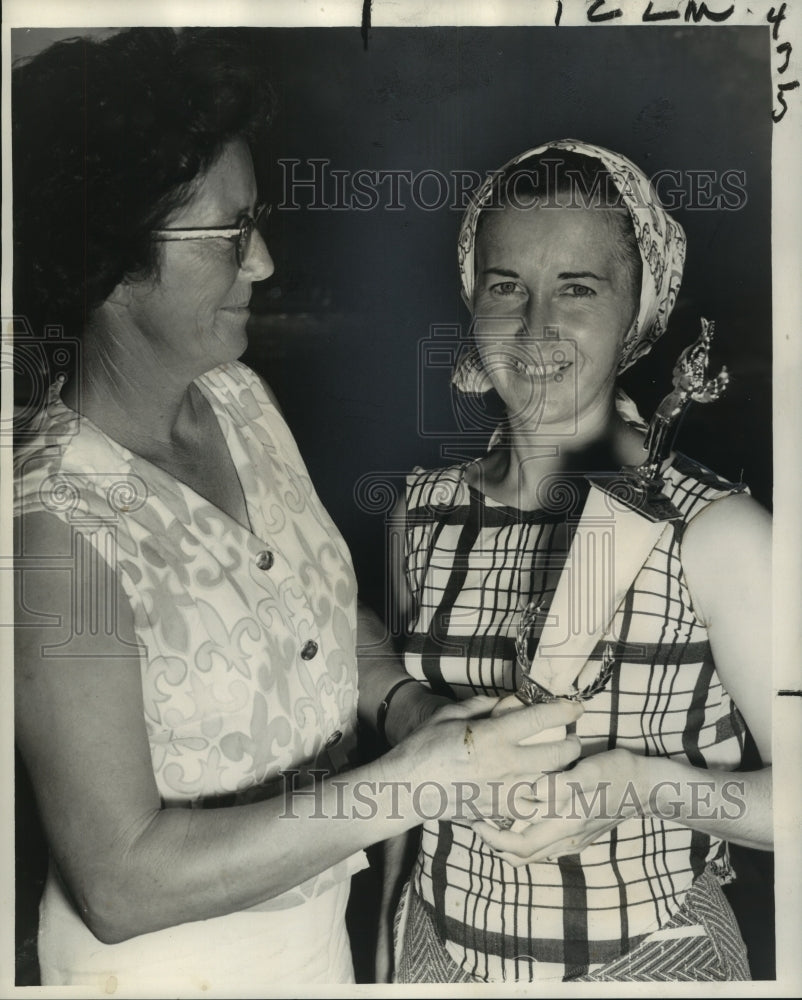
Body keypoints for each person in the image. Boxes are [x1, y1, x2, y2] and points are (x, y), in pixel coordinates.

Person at [11, 31, 582, 990]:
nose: (266, 263)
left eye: (257, 222)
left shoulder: (239, 401)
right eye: (231, 237)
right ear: (109, 265)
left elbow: (315, 615)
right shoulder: (52, 531)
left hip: (316, 943)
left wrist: (407, 711)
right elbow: (119, 882)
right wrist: (420, 780)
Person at [381, 140, 772, 983]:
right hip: (434, 952)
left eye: (579, 289)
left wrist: (636, 782)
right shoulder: (423, 509)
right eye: (506, 285)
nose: (535, 327)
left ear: (639, 310)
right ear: (471, 294)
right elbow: (404, 768)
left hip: (648, 960)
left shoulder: (714, 531)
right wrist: (389, 942)